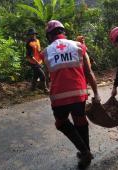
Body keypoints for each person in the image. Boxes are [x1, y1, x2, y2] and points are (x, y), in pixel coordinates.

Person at [40, 20, 100, 169]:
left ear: (49, 36)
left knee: (61, 123)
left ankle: (85, 152)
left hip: (58, 96)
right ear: (63, 32)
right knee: (80, 121)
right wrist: (96, 93)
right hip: (78, 94)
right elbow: (88, 72)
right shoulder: (79, 46)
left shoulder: (45, 52)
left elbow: (49, 75)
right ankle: (86, 152)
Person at [26, 28, 49, 92]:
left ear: (35, 34)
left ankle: (32, 88)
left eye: (33, 34)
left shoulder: (37, 41)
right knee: (42, 75)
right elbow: (30, 55)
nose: (32, 35)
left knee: (35, 75)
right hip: (33, 61)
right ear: (29, 35)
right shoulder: (29, 43)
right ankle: (45, 89)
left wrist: (43, 58)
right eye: (31, 34)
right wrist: (37, 63)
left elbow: (39, 51)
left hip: (38, 61)